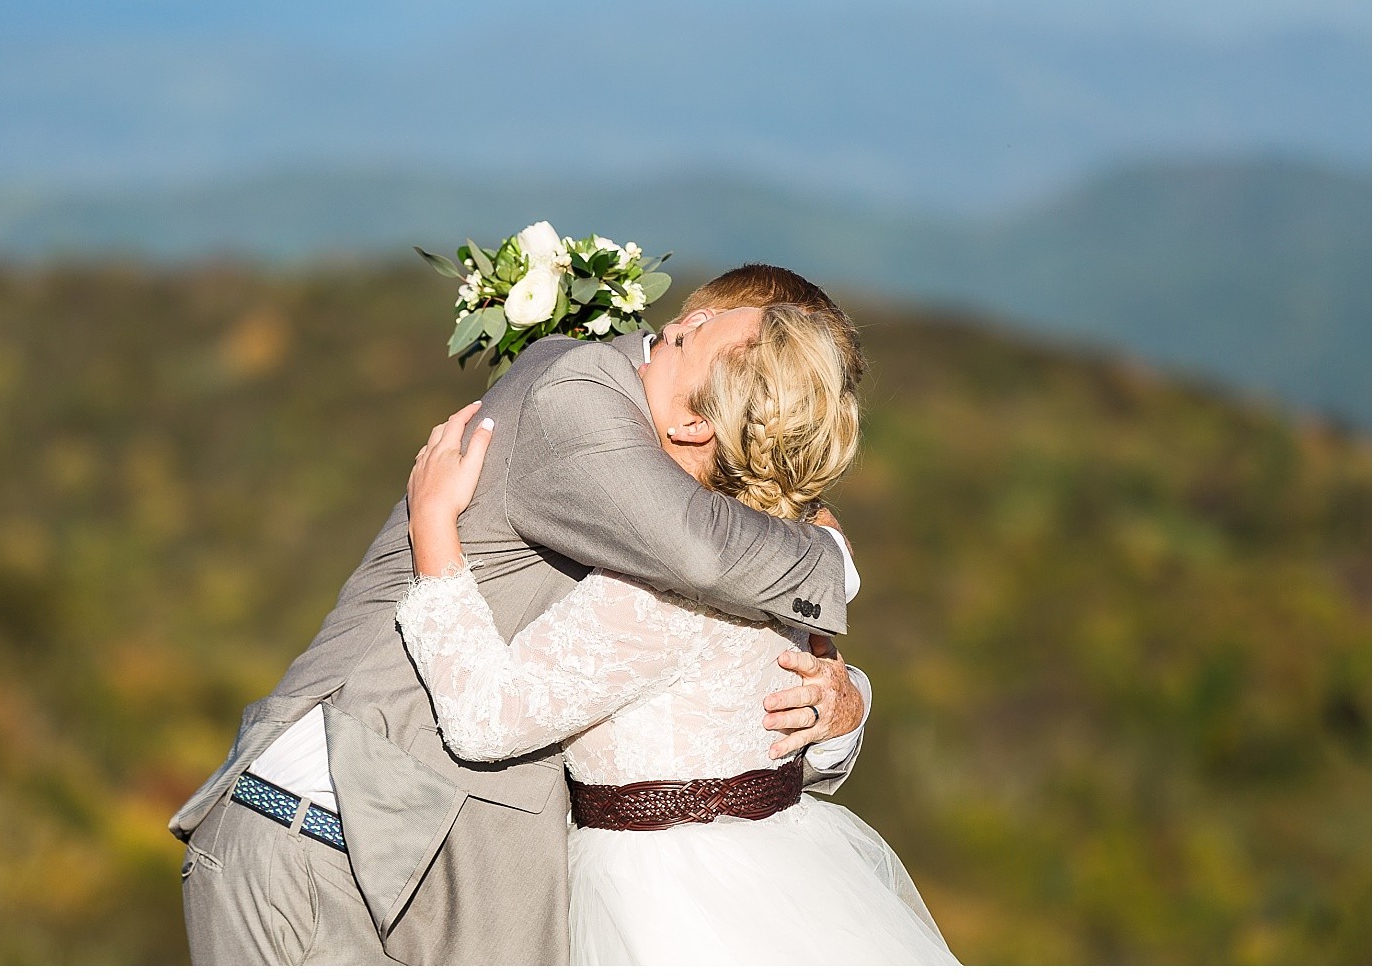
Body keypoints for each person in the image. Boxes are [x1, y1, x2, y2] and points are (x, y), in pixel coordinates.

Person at [171, 264, 875, 965]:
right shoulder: (580, 396)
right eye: (693, 318)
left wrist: (846, 705)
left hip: (442, 876)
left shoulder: (729, 553)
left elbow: (724, 741)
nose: (671, 324)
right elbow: (693, 553)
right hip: (319, 836)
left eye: (696, 331)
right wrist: (833, 558)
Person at [396, 303, 959, 964]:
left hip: (655, 901)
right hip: (788, 873)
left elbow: (485, 719)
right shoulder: (794, 549)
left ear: (695, 422)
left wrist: (431, 526)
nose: (670, 327)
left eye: (682, 338)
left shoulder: (658, 591)